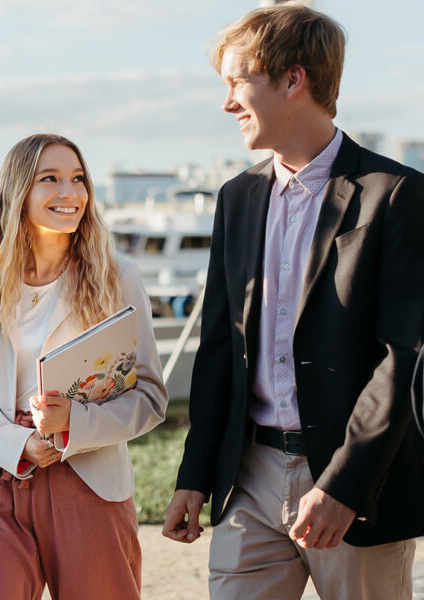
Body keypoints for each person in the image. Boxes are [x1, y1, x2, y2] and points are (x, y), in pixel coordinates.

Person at [162, 5, 424, 599]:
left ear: (292, 79)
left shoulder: (397, 195)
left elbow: (405, 356)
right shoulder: (238, 197)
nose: (227, 102)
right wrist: (196, 473)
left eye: (237, 82)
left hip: (355, 487)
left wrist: (346, 485)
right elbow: (220, 346)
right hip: (249, 477)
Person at [0, 133, 168, 600]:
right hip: (4, 477)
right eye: (51, 179)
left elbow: (149, 396)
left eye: (78, 179)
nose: (70, 192)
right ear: (18, 191)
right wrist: (18, 442)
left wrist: (74, 425)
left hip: (89, 480)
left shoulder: (117, 276)